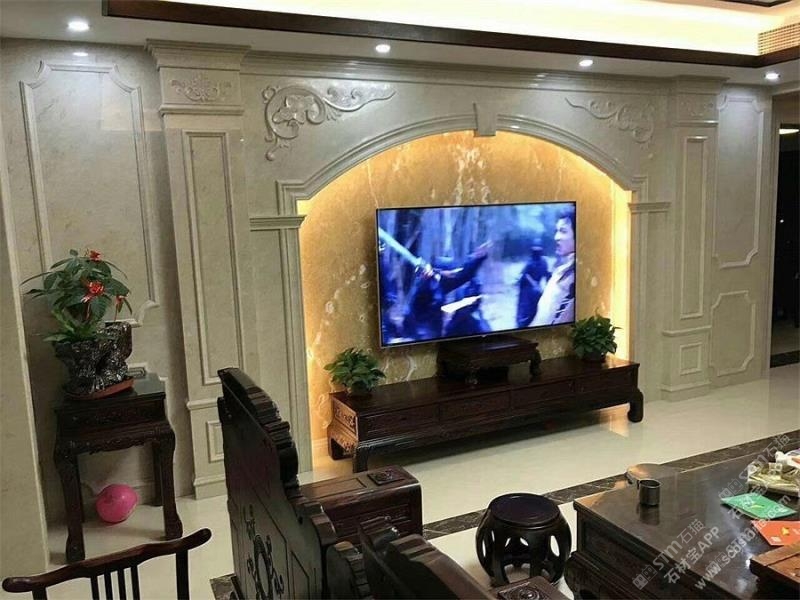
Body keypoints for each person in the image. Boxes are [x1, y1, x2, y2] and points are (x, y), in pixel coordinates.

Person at [403, 242, 492, 341]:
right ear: (442, 271)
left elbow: (463, 275)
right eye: (451, 271)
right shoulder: (427, 283)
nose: (453, 274)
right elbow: (417, 304)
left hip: (433, 331)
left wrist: (478, 259)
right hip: (421, 332)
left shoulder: (440, 282)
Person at [531, 208, 576, 326]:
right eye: (557, 231)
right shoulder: (562, 271)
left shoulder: (576, 277)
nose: (556, 237)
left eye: (563, 231)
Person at [516, 243, 550, 328]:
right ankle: (522, 324)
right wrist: (534, 284)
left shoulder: (543, 262)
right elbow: (525, 274)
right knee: (525, 308)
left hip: (535, 289)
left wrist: (546, 286)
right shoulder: (530, 262)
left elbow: (547, 274)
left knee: (533, 308)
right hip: (526, 287)